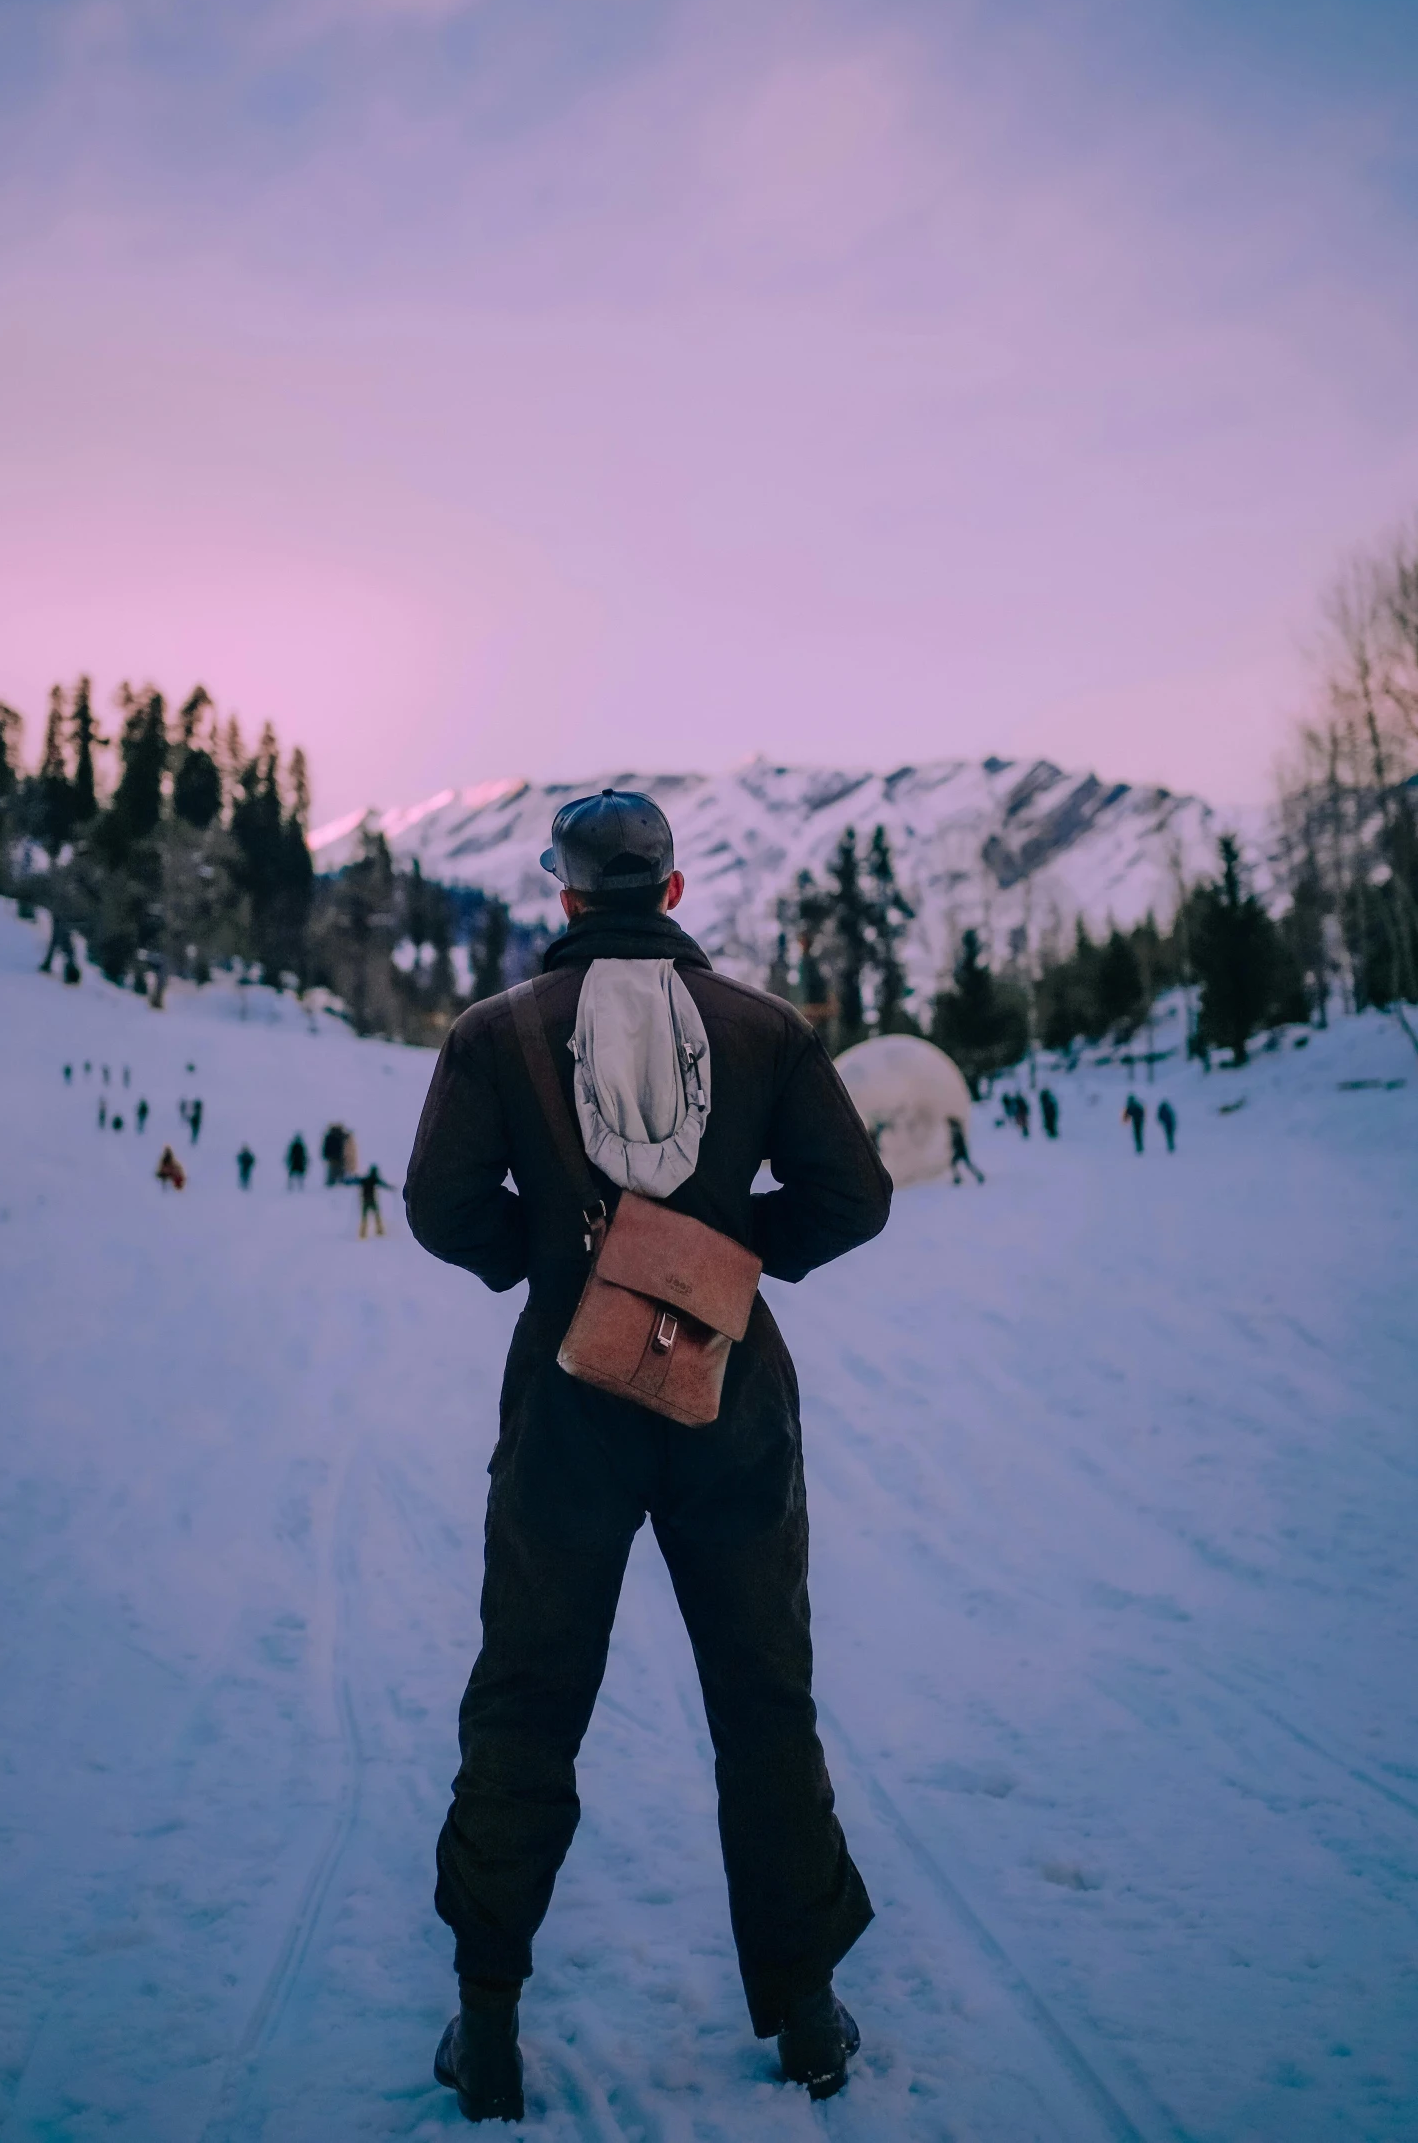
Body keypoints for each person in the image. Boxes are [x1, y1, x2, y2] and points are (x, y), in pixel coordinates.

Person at [405, 789, 891, 2120]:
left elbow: (441, 1206)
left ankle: (488, 2017)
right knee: (759, 1692)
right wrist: (720, 1265)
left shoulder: (492, 1033)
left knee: (527, 1687)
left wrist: (558, 1269)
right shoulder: (765, 1029)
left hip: (566, 1403)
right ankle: (802, 2013)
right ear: (670, 893)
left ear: (563, 899)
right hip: (727, 1393)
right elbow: (854, 1198)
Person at [948, 1114, 984, 1185]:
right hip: (961, 1150)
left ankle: (958, 1178)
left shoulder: (955, 1129)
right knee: (962, 1164)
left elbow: (958, 1141)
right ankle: (978, 1176)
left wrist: (954, 1147)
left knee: (962, 1164)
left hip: (961, 1151)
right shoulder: (956, 1128)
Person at [357, 1162, 390, 1238]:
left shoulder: (365, 1179)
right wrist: (391, 1188)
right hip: (372, 1201)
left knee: (365, 1217)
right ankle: (379, 1231)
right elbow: (383, 1184)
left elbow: (357, 1181)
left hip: (365, 1201)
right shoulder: (374, 1179)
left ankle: (363, 1234)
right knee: (376, 1216)